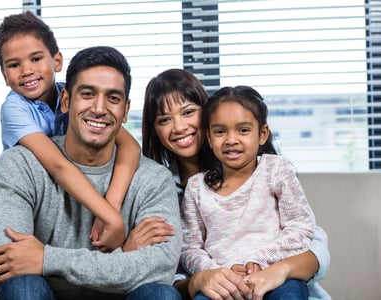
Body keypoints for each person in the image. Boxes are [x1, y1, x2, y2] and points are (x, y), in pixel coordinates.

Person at [0, 46, 182, 300]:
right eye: (87, 94)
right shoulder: (19, 165)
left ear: (125, 110)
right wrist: (124, 257)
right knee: (23, 287)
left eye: (113, 98)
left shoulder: (153, 179)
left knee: (161, 295)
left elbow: (159, 270)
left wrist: (46, 258)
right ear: (65, 100)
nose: (99, 108)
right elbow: (8, 262)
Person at [141, 69, 331, 300]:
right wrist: (208, 275)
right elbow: (178, 257)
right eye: (164, 119)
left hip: (273, 278)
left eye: (189, 112)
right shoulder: (165, 188)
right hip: (214, 286)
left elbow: (309, 236)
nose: (179, 126)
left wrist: (268, 266)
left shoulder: (268, 169)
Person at [0, 11, 142, 250]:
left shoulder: (74, 96)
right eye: (14, 65)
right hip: (25, 194)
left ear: (57, 61)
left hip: (62, 197)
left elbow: (130, 145)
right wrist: (111, 218)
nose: (26, 71)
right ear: (4, 75)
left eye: (35, 59)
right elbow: (58, 166)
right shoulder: (14, 108)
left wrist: (113, 204)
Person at [180, 85, 316, 300]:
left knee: (291, 294)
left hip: (274, 277)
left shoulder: (276, 170)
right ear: (208, 137)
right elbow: (189, 248)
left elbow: (301, 227)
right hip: (223, 284)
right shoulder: (196, 187)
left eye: (243, 130)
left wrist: (259, 262)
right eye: (220, 131)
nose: (231, 139)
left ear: (262, 134)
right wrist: (217, 272)